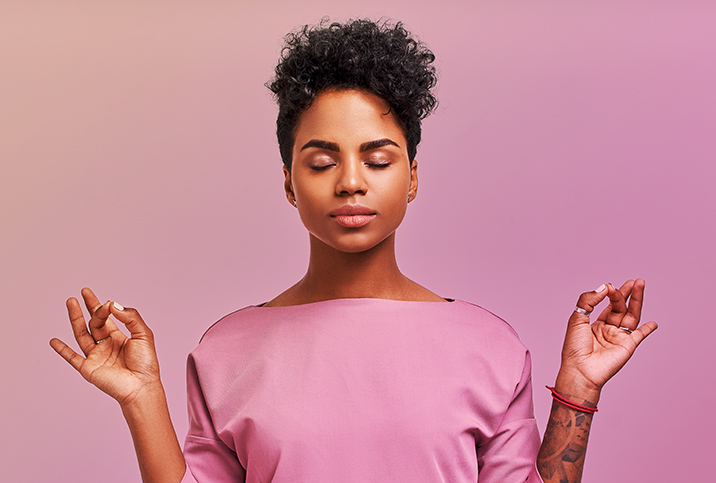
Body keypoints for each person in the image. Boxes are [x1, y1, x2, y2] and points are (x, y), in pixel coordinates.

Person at [50, 19, 658, 483]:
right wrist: (142, 398)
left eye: (377, 158)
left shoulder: (490, 346)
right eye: (321, 161)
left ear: (412, 176)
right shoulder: (226, 351)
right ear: (289, 181)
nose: (351, 182)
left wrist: (579, 386)